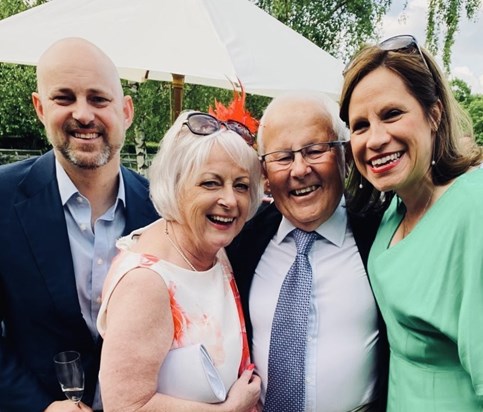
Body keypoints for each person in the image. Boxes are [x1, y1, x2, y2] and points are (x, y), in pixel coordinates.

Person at [0, 37, 159, 412]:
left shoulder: (160, 209)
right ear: (40, 108)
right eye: (64, 98)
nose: (83, 114)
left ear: (126, 111)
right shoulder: (3, 200)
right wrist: (39, 407)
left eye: (99, 99)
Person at [339, 34, 483, 410]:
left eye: (391, 114)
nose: (376, 139)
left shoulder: (473, 208)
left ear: (433, 115)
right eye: (360, 125)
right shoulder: (393, 210)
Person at [227, 92, 389, 412]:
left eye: (315, 151)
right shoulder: (240, 240)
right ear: (264, 174)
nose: (300, 170)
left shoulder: (383, 234)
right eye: (283, 157)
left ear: (344, 158)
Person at [96, 110, 263, 411]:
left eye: (241, 185)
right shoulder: (146, 283)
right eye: (211, 183)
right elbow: (127, 406)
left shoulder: (211, 244)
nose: (230, 200)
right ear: (175, 184)